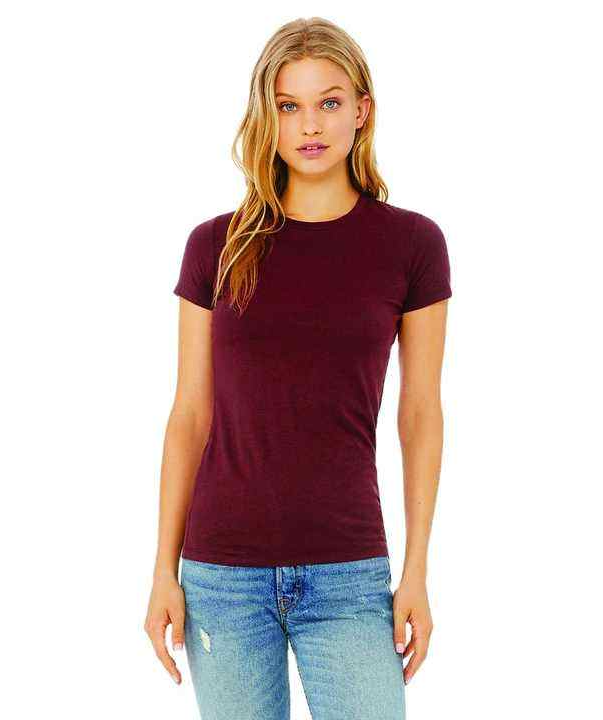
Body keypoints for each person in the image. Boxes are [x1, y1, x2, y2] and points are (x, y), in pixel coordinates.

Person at [144, 16, 452, 720]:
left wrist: (416, 571)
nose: (310, 125)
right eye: (289, 105)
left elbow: (420, 414)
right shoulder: (215, 246)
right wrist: (163, 569)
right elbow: (190, 414)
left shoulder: (411, 244)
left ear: (362, 110)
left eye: (329, 102)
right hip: (222, 576)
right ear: (267, 116)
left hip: (349, 574)